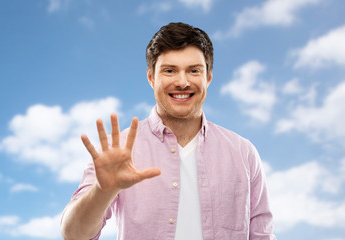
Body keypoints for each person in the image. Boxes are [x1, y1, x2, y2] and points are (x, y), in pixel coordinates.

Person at [60, 22, 276, 240]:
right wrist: (102, 190)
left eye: (194, 70)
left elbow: (262, 236)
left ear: (208, 77)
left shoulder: (243, 153)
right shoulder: (119, 150)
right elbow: (73, 234)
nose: (182, 82)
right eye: (169, 71)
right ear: (151, 78)